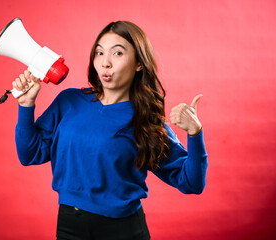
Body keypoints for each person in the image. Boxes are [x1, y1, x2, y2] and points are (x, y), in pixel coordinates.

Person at [12, 21, 208, 240]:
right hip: (69, 227)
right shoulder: (68, 101)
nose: (105, 62)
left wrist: (195, 133)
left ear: (138, 64)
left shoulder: (146, 120)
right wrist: (26, 106)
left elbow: (192, 183)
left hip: (123, 231)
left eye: (117, 53)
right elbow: (29, 154)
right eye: (99, 52)